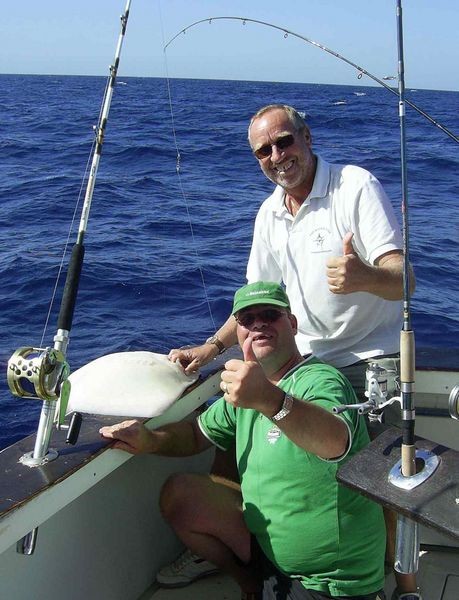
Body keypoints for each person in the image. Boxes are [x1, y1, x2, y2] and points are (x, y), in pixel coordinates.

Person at [168, 105, 419, 599]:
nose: (277, 156)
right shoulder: (269, 212)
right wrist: (212, 347)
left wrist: (365, 276)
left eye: (284, 141)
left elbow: (404, 279)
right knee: (235, 430)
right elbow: (254, 300)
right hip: (301, 359)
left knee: (384, 481)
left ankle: (404, 585)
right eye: (264, 150)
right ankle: (249, 548)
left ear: (307, 137)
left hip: (368, 360)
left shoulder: (354, 186)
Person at [100, 282, 387, 600]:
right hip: (269, 558)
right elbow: (196, 435)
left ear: (292, 324)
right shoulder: (247, 390)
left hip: (332, 581)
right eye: (247, 320)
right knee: (181, 494)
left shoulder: (320, 380)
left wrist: (271, 400)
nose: (258, 324)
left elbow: (335, 441)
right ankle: (249, 582)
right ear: (237, 333)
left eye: (270, 315)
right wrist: (150, 440)